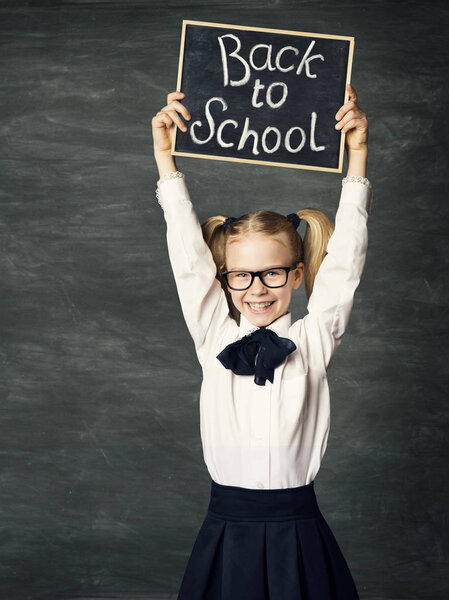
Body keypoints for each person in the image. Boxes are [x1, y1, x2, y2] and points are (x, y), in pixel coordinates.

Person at [151, 83, 372, 600]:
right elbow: (187, 259)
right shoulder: (214, 336)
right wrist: (165, 159)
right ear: (224, 278)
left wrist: (357, 158)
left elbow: (345, 265)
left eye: (272, 274)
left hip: (300, 531)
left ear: (296, 276)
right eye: (241, 276)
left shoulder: (314, 341)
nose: (255, 289)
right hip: (227, 531)